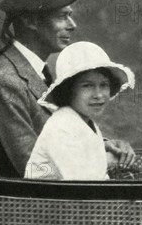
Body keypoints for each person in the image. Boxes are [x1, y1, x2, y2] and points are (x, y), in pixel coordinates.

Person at [0, 0, 135, 177]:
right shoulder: (5, 82)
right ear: (30, 21)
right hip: (41, 204)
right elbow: (34, 169)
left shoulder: (35, 70)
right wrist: (103, 161)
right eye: (62, 17)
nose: (72, 25)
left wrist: (105, 145)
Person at [25, 42, 134, 180]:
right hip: (45, 200)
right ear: (69, 90)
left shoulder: (83, 122)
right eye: (87, 86)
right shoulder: (61, 126)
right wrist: (109, 161)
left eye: (104, 85)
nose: (98, 94)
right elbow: (82, 184)